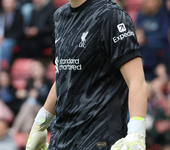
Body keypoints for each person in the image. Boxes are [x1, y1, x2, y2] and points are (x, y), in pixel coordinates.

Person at [26, 0, 147, 150]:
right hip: (61, 137)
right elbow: (64, 75)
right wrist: (41, 122)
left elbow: (136, 80)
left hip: (100, 138)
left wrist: (136, 132)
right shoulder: (59, 16)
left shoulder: (112, 16)